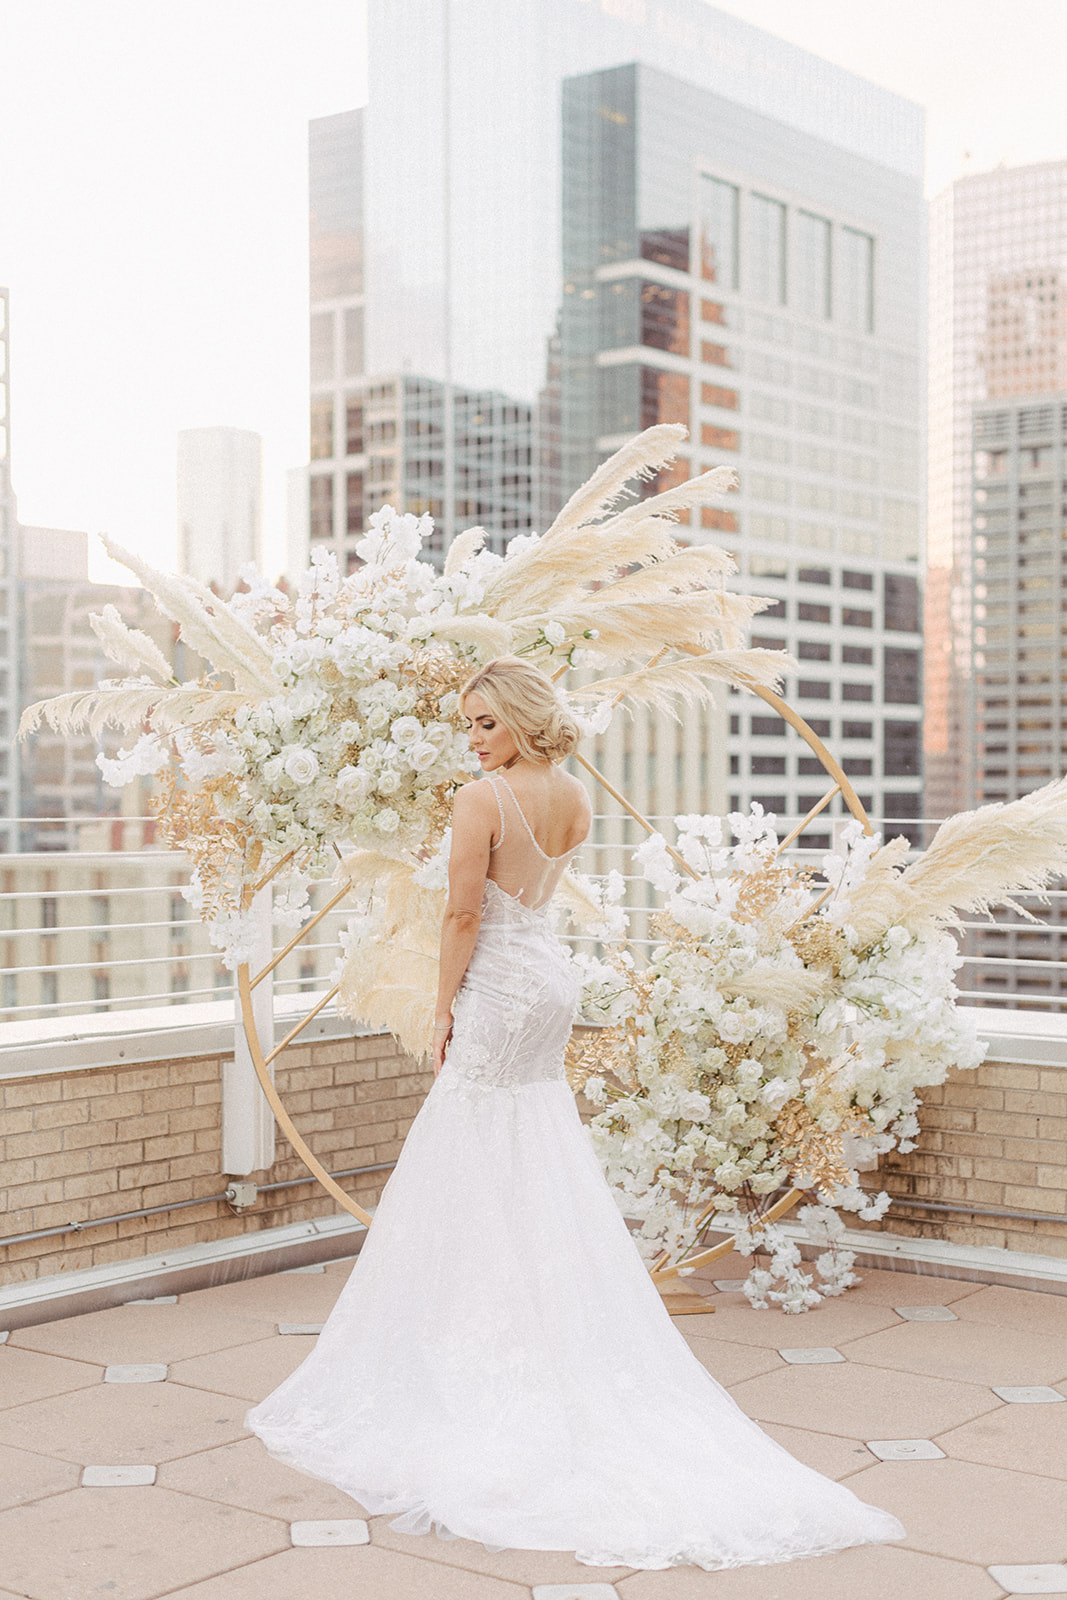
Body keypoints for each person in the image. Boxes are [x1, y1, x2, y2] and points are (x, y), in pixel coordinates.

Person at [245, 656, 904, 1572]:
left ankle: (475, 1335)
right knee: (530, 1141)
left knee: (470, 1138)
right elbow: (533, 898)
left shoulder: (483, 800)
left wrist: (441, 1005)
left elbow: (463, 918)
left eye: (483, 722)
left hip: (499, 985)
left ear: (516, 718)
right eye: (467, 725)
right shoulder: (571, 797)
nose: (471, 739)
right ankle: (534, 1313)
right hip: (550, 982)